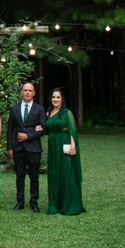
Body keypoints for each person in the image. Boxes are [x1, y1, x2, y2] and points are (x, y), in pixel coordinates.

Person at [6, 82, 46, 212]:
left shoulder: (39, 109)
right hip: (18, 148)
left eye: (30, 90)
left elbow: (43, 129)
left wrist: (27, 136)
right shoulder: (14, 109)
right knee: (20, 176)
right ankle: (20, 202)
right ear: (21, 92)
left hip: (34, 148)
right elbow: (10, 130)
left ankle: (34, 202)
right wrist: (10, 147)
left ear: (34, 93)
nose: (27, 92)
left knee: (34, 177)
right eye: (25, 90)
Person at [45, 88, 85, 216]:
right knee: (55, 174)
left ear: (62, 99)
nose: (55, 99)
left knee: (67, 173)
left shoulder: (67, 113)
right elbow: (48, 129)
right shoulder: (48, 113)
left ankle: (70, 204)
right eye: (53, 97)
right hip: (53, 146)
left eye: (58, 97)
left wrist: (73, 146)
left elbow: (72, 131)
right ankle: (55, 204)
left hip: (65, 143)